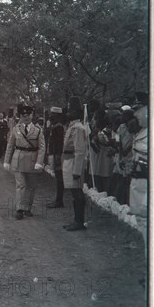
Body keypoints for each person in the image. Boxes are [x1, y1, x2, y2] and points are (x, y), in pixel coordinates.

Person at [4, 103, 46, 220]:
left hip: (33, 160)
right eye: (23, 115)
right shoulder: (16, 129)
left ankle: (28, 208)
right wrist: (7, 161)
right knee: (20, 185)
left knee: (31, 186)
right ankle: (19, 209)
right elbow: (10, 145)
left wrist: (39, 162)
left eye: (28, 115)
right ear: (20, 116)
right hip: (19, 159)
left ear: (32, 115)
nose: (26, 117)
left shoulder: (38, 130)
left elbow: (42, 147)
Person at [61, 97, 89, 231]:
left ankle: (79, 222)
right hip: (69, 160)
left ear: (77, 113)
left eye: (71, 111)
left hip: (74, 162)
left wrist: (77, 171)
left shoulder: (77, 128)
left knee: (77, 192)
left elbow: (80, 151)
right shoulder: (72, 127)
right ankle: (77, 220)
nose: (68, 113)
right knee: (74, 192)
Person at [128, 91, 148, 252]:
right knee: (144, 230)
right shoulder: (142, 132)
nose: (135, 114)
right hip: (139, 188)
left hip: (148, 191)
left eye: (138, 109)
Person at [46, 106, 66, 208]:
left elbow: (59, 143)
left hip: (58, 155)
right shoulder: (55, 126)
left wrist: (58, 156)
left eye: (53, 114)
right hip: (55, 154)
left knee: (59, 178)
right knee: (58, 178)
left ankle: (59, 201)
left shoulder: (58, 127)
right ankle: (58, 200)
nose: (51, 116)